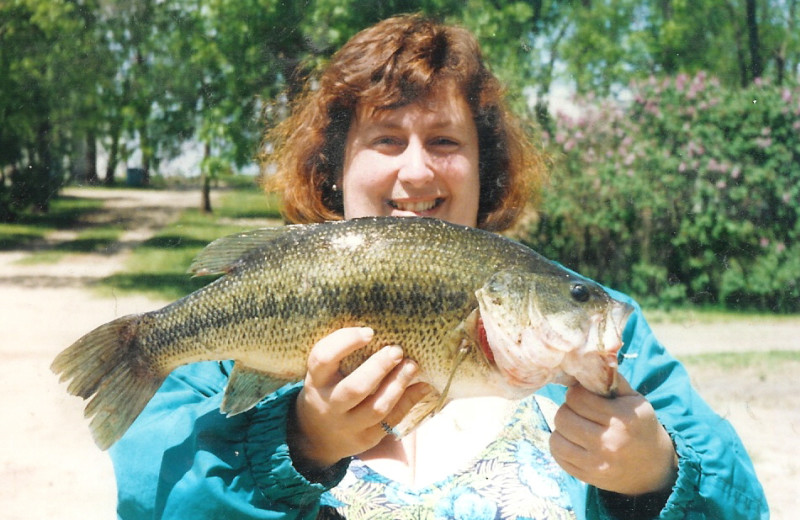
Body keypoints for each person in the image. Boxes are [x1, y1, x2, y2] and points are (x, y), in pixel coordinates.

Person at [110, 14, 768, 520]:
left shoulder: (604, 349)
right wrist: (301, 442)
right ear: (335, 171)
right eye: (386, 139)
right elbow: (149, 492)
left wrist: (657, 473)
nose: (417, 170)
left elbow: (741, 499)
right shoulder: (232, 351)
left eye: (446, 141)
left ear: (488, 169)